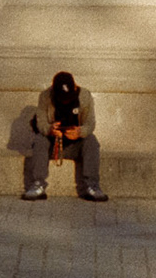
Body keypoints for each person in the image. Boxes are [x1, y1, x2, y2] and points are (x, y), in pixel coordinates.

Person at [23, 71, 107, 202]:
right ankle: (38, 185)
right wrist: (50, 130)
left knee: (91, 140)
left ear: (75, 88)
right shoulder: (45, 96)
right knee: (40, 140)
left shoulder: (84, 96)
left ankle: (92, 186)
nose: (65, 101)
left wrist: (80, 132)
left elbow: (90, 123)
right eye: (62, 98)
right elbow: (41, 123)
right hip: (52, 144)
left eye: (68, 97)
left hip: (75, 144)